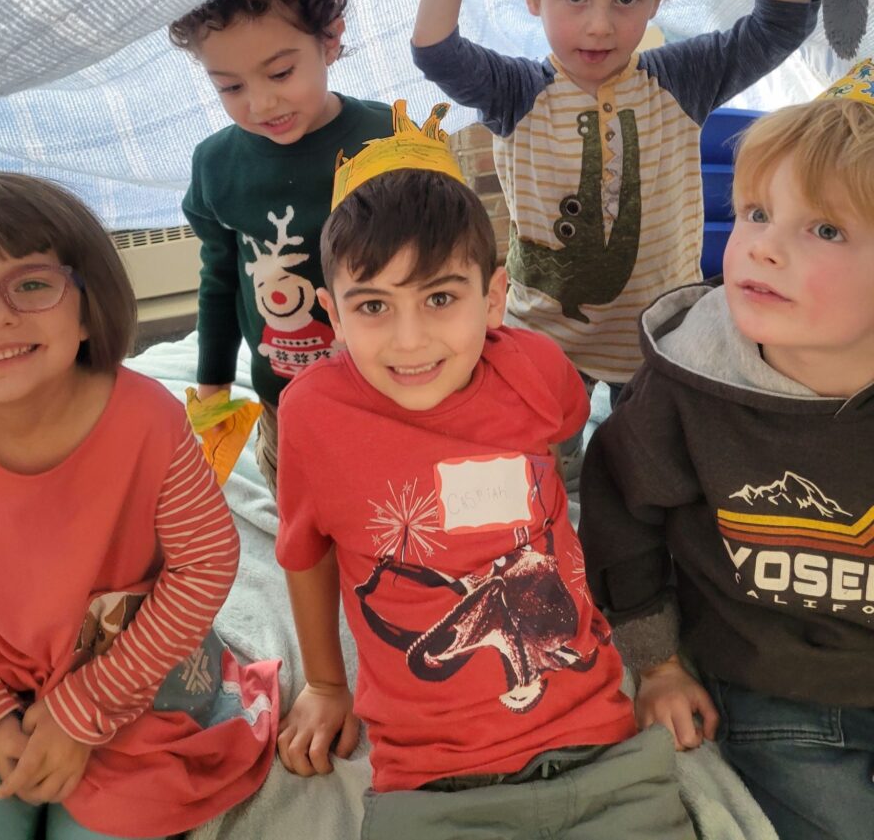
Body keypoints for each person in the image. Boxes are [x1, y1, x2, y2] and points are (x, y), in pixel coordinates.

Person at [273, 103, 695, 839]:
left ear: (494, 297)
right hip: (433, 781)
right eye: (372, 305)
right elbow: (305, 551)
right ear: (331, 316)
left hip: (598, 745)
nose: (410, 341)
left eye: (440, 297)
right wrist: (323, 681)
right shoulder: (311, 415)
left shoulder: (536, 368)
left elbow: (562, 445)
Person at [0, 173, 280, 840]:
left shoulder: (149, 421)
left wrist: (87, 707)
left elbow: (204, 565)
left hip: (144, 684)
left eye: (31, 284)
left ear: (86, 306)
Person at [577, 60, 874, 840]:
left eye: (825, 228)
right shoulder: (687, 382)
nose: (761, 248)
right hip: (778, 682)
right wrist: (659, 664)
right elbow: (619, 515)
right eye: (753, 212)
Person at [411, 0, 818, 411]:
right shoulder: (515, 92)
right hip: (544, 342)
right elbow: (435, 49)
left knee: (645, 477)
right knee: (546, 475)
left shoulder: (681, 79)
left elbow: (787, 17)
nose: (599, 26)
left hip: (663, 337)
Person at [169, 0, 393, 495]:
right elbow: (220, 279)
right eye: (230, 87)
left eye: (280, 73)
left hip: (391, 388)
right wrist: (213, 387)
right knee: (302, 509)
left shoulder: (391, 139)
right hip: (284, 395)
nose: (261, 103)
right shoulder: (216, 164)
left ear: (331, 40)